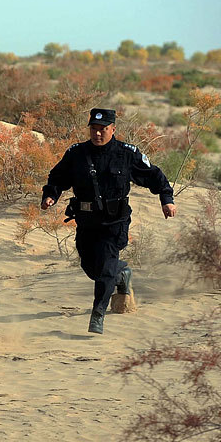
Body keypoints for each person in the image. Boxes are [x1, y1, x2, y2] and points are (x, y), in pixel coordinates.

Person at [41, 108, 176, 334]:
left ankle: (98, 314)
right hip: (86, 222)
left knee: (104, 268)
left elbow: (154, 176)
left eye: (103, 129)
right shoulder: (76, 153)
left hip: (115, 223)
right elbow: (57, 177)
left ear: (113, 129)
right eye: (94, 129)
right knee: (91, 267)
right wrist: (50, 196)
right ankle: (121, 274)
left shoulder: (126, 153)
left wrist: (166, 199)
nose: (97, 134)